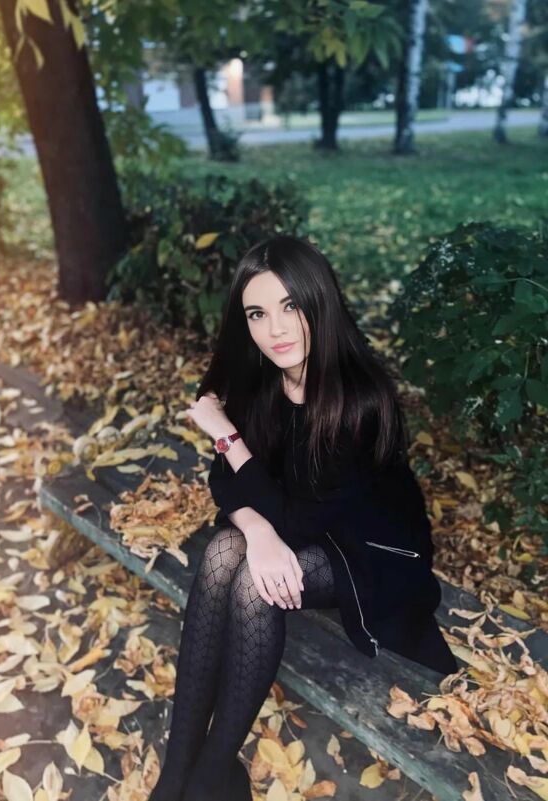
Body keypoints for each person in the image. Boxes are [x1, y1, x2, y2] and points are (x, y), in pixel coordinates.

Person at [148, 235, 459, 801]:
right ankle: (177, 779)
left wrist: (228, 437)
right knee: (224, 552)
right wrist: (256, 529)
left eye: (291, 306)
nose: (276, 330)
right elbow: (227, 483)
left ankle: (210, 775)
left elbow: (279, 504)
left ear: (320, 301)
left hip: (373, 550)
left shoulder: (360, 399)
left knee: (252, 585)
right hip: (296, 520)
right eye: (257, 314)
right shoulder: (260, 376)